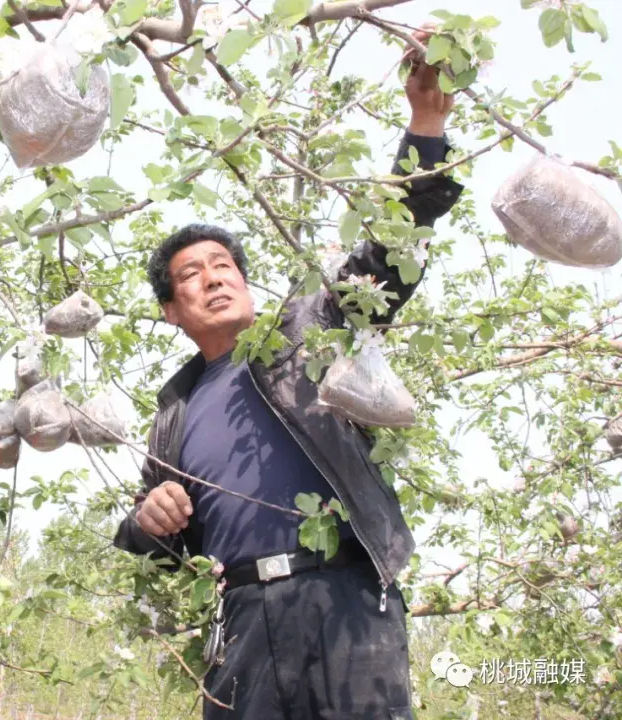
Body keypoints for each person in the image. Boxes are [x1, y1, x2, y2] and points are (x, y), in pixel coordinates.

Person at [111, 36, 464, 720]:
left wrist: (425, 127)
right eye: (191, 274)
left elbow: (388, 254)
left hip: (346, 602)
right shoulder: (175, 409)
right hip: (241, 621)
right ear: (170, 310)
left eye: (223, 266)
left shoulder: (308, 329)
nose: (212, 277)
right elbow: (153, 539)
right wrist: (144, 519)